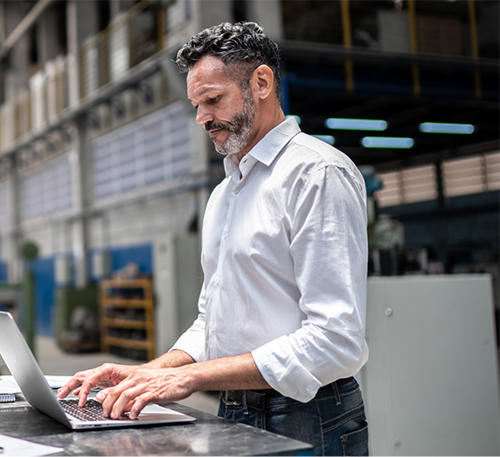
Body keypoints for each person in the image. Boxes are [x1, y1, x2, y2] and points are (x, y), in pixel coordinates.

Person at [58, 22, 369, 457]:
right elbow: (214, 323)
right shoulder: (226, 192)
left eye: (213, 100)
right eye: (196, 104)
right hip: (234, 405)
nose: (202, 117)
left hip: (307, 416)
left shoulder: (316, 175)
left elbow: (335, 341)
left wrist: (193, 378)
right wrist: (147, 373)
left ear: (260, 82)